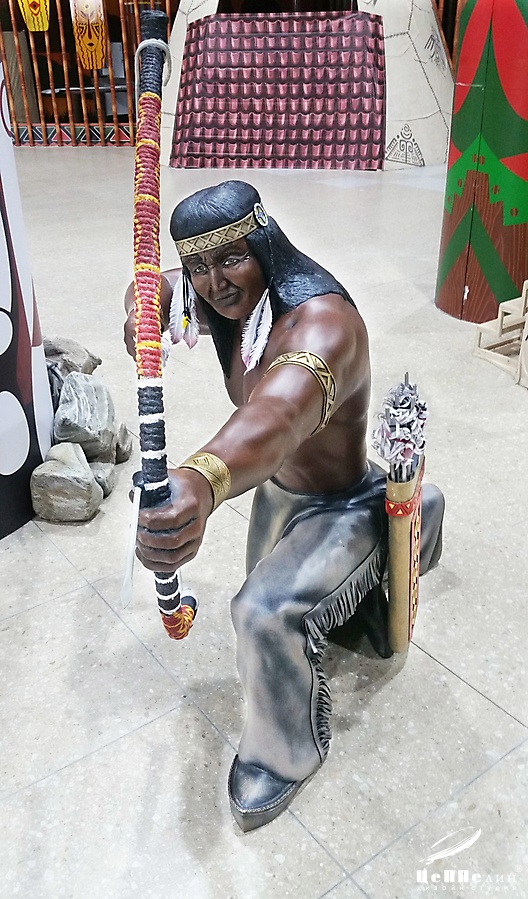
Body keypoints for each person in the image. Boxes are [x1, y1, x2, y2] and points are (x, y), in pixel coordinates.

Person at [123, 180, 444, 832]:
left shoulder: (323, 326)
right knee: (266, 608)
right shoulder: (226, 298)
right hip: (278, 491)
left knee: (262, 614)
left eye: (230, 258)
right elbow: (149, 284)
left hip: (341, 502)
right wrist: (140, 311)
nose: (214, 283)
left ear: (264, 244)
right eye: (199, 266)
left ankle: (283, 753)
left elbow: (276, 414)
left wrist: (201, 481)